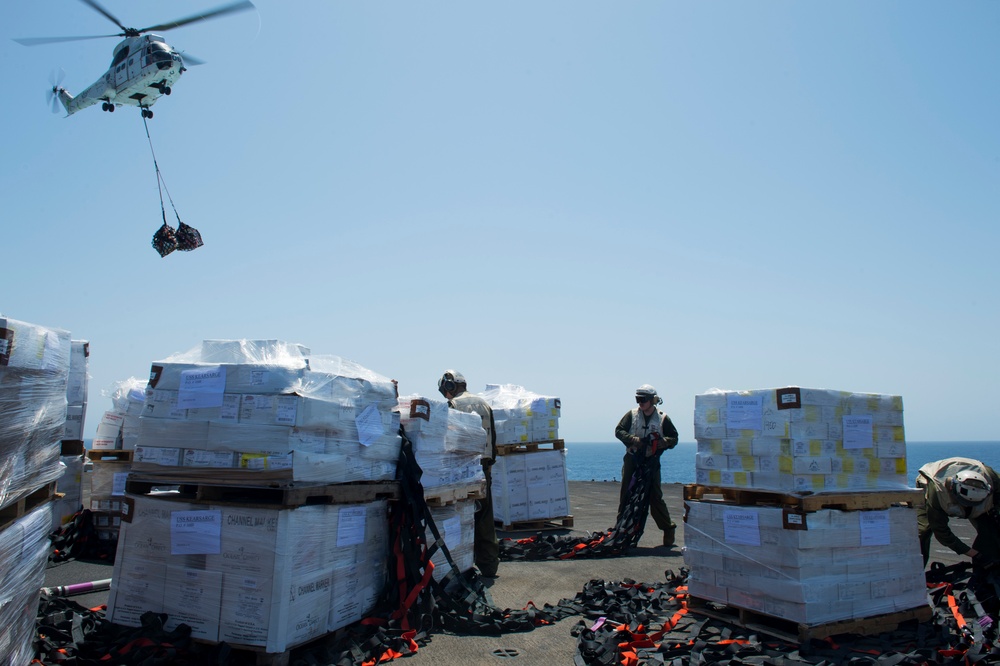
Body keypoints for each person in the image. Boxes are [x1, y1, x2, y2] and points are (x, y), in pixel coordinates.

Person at [438, 369, 500, 579]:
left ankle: (460, 564)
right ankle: (490, 566)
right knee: (485, 517)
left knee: (461, 517)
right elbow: (494, 437)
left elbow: (448, 437)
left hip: (462, 468)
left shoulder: (453, 405)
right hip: (484, 466)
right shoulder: (484, 404)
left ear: (449, 386)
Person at [614, 384, 679, 547]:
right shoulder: (632, 415)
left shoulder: (663, 418)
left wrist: (661, 442)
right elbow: (619, 431)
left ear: (652, 400)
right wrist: (634, 440)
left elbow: (674, 438)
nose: (640, 403)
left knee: (655, 496)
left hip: (651, 461)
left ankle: (668, 528)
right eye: (638, 399)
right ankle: (621, 529)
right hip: (632, 459)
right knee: (626, 494)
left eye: (643, 399)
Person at [916, 457, 1000, 568]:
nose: (966, 507)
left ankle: (989, 569)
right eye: (964, 504)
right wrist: (974, 554)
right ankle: (916, 573)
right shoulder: (937, 492)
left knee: (992, 529)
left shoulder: (994, 480)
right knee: (923, 531)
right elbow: (942, 533)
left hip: (979, 493)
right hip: (930, 484)